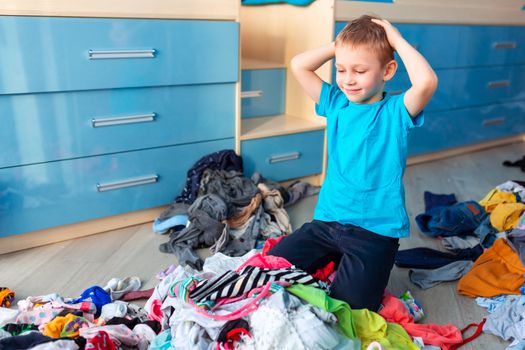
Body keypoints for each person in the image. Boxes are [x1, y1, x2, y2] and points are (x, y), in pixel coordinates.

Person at [268, 15, 438, 311]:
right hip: (328, 222)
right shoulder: (335, 102)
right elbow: (299, 65)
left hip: (376, 232)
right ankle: (333, 260)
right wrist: (340, 46)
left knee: (352, 306)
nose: (348, 79)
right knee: (271, 266)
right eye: (341, 69)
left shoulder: (397, 111)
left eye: (359, 70)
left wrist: (395, 40)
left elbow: (427, 81)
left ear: (388, 70)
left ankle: (345, 267)